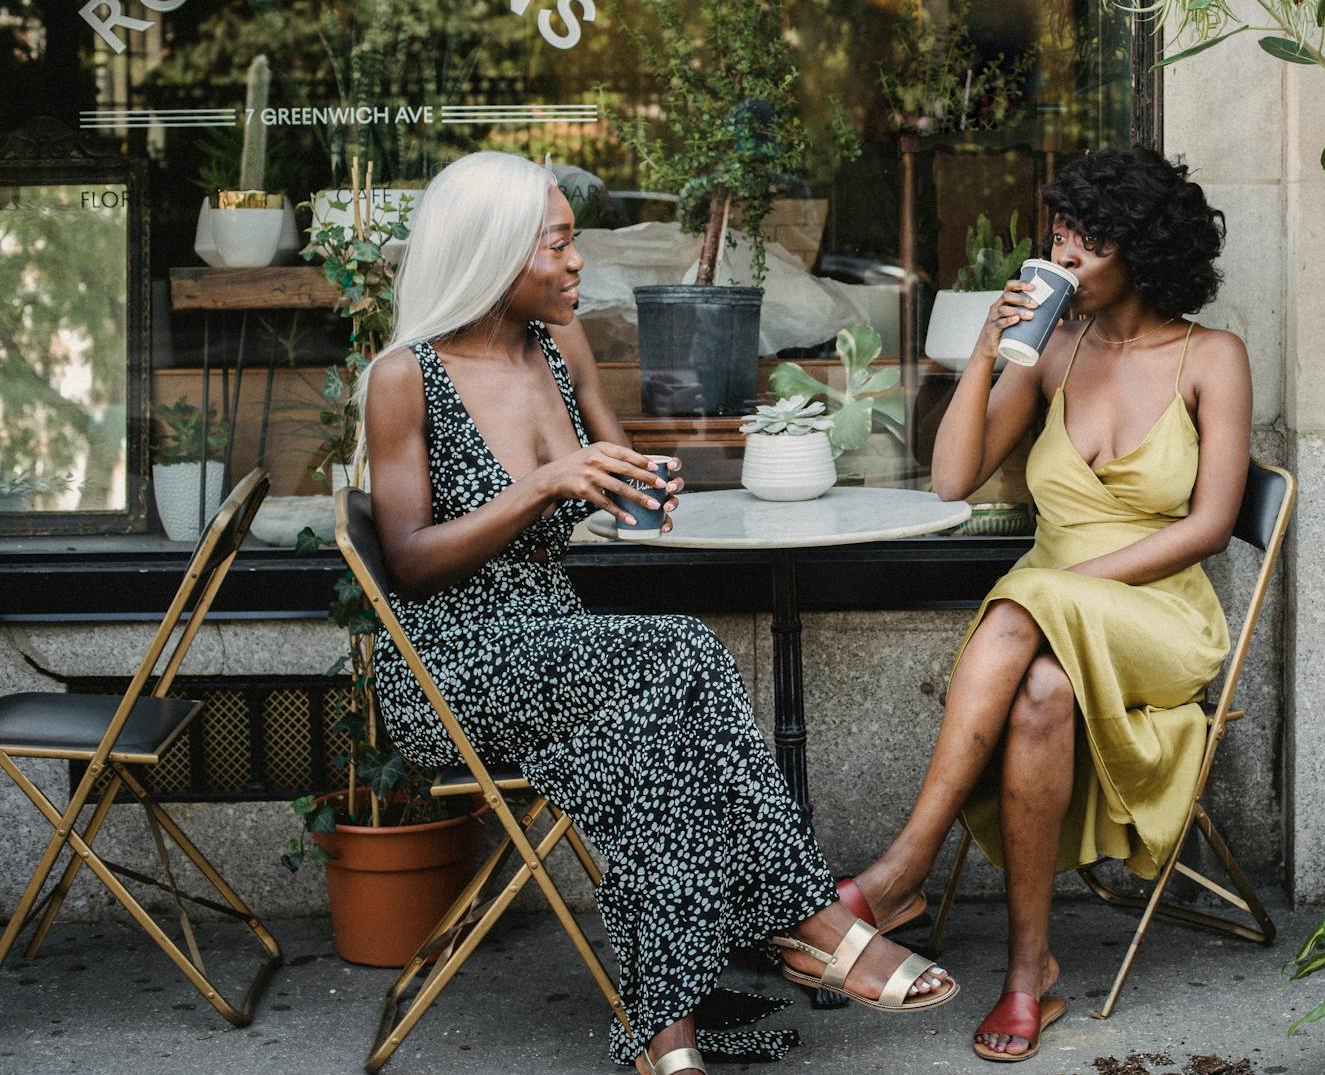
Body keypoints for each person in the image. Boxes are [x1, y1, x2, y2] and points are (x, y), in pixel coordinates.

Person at [359, 151, 956, 1075]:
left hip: (560, 651)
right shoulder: (407, 375)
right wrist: (546, 485)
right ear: (494, 253)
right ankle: (807, 920)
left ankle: (663, 1034)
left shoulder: (559, 348)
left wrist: (640, 482)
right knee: (678, 651)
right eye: (559, 244)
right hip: (454, 666)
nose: (576, 263)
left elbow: (613, 464)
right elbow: (408, 561)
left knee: (646, 755)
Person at [841, 147, 1251, 1062]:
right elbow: (952, 479)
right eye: (1056, 239)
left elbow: (1211, 526)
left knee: (1023, 605)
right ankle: (1031, 976)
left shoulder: (1211, 357)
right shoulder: (1054, 350)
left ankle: (902, 869)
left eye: (1082, 245)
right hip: (1044, 628)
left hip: (1156, 617)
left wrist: (1067, 589)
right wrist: (991, 347)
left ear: (1139, 252)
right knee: (1037, 696)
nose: (1060, 259)